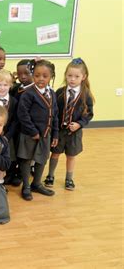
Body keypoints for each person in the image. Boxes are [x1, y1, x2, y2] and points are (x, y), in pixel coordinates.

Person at [45, 58, 94, 191]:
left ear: (83, 77)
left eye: (76, 76)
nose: (72, 79)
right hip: (59, 131)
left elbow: (88, 114)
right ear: (65, 75)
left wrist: (79, 124)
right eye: (69, 76)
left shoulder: (86, 95)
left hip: (74, 133)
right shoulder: (60, 92)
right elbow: (53, 111)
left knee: (71, 156)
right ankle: (50, 176)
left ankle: (69, 178)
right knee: (55, 154)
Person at [17, 60, 59, 201]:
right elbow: (23, 114)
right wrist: (33, 131)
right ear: (33, 76)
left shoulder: (52, 94)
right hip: (30, 134)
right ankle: (26, 186)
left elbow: (55, 115)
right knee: (26, 159)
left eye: (45, 76)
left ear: (51, 77)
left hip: (46, 134)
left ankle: (36, 183)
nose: (41, 79)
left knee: (42, 159)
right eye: (37, 75)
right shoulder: (28, 94)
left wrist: (55, 133)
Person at [0, 70, 18, 186]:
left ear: (10, 86)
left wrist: (7, 136)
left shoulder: (14, 102)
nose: (2, 88)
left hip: (7, 137)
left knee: (5, 159)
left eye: (5, 85)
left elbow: (16, 121)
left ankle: (1, 181)